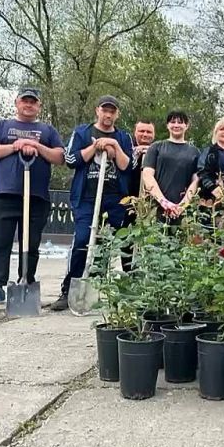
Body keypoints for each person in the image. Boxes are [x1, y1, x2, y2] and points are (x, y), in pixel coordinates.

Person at [0, 87, 65, 306]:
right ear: (17, 103)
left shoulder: (47, 130)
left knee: (31, 243)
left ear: (39, 106)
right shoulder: (1, 126)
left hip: (36, 197)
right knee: (0, 243)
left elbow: (60, 157)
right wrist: (14, 146)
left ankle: (26, 281)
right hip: (4, 194)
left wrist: (36, 146)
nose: (29, 105)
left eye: (33, 102)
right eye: (25, 101)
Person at [51, 95, 133, 312]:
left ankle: (94, 289)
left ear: (117, 114)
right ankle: (69, 288)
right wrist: (94, 147)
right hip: (86, 197)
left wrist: (114, 145)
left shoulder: (124, 137)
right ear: (97, 110)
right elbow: (70, 160)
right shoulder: (82, 133)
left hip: (114, 198)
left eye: (112, 111)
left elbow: (128, 166)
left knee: (107, 245)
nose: (108, 115)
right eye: (104, 110)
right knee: (83, 240)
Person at [142, 110, 201, 224]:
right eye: (173, 122)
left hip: (184, 212)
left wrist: (182, 206)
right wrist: (164, 202)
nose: (176, 125)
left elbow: (196, 181)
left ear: (186, 126)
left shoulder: (195, 152)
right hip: (156, 209)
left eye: (180, 122)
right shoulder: (156, 147)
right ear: (167, 125)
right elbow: (147, 175)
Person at [121, 119, 156, 271]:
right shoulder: (127, 150)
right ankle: (129, 273)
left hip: (150, 203)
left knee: (148, 239)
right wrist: (136, 155)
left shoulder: (158, 152)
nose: (145, 134)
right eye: (141, 131)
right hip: (129, 201)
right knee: (127, 239)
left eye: (148, 132)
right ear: (135, 133)